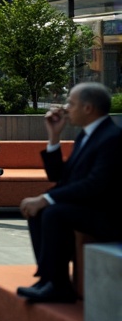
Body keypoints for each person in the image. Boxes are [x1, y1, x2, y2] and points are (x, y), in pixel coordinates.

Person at [17, 82, 122, 303]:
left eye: (71, 103)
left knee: (54, 212)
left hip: (109, 214)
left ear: (87, 108)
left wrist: (46, 199)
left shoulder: (112, 138)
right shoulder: (87, 135)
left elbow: (95, 184)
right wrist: (54, 137)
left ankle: (58, 285)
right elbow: (60, 177)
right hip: (90, 206)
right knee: (39, 211)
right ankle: (48, 278)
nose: (65, 108)